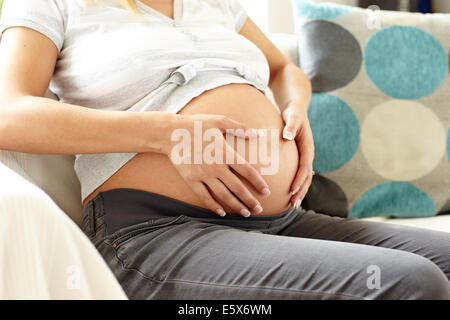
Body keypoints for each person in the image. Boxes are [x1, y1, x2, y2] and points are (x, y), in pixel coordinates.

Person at [0, 0, 449, 300]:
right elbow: (8, 114)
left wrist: (296, 108)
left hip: (282, 221)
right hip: (155, 233)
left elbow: (282, 67)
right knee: (412, 283)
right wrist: (166, 134)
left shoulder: (215, 3)